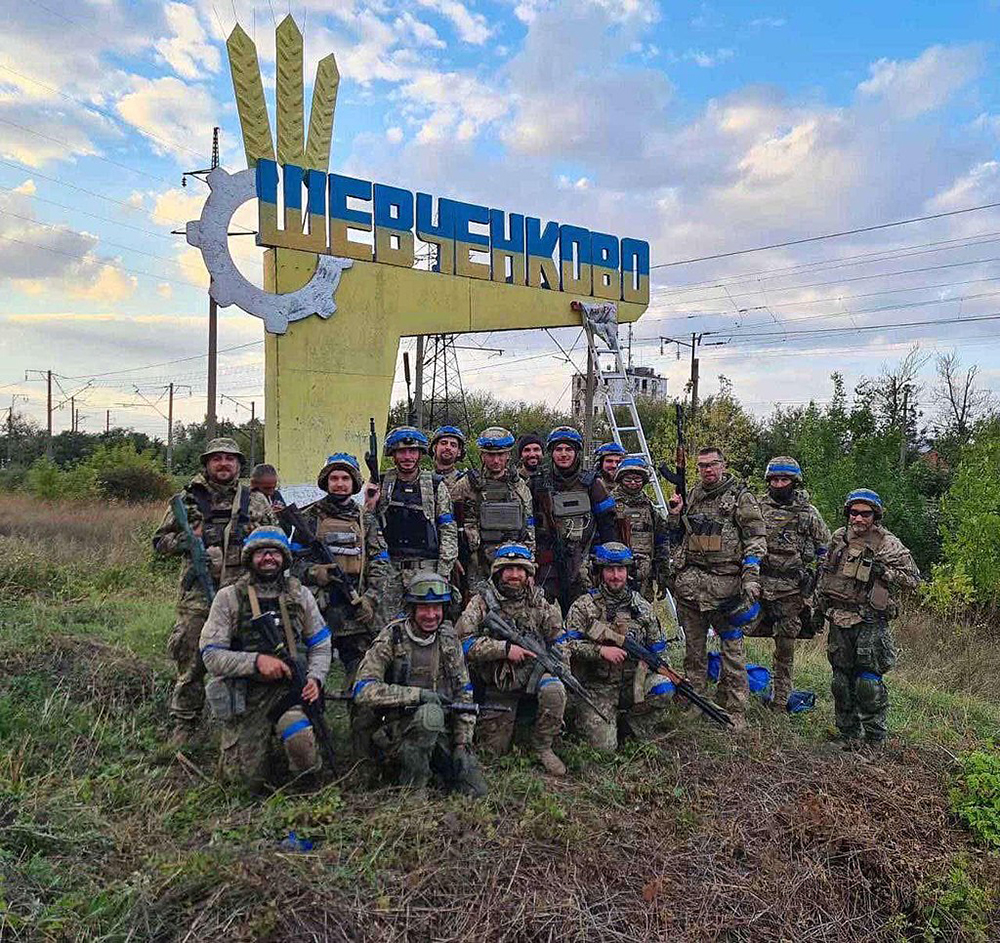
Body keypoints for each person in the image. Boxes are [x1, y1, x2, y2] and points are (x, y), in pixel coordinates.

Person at [153, 437, 275, 746]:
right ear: (207, 464)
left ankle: (242, 726)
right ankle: (185, 723)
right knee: (191, 659)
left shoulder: (256, 501)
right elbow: (159, 543)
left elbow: (275, 542)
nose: (224, 463)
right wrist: (187, 540)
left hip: (243, 593)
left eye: (230, 459)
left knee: (246, 658)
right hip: (198, 596)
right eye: (217, 458)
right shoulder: (187, 501)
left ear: (238, 465)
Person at [199, 526, 331, 791]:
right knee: (243, 783)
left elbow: (320, 645)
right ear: (250, 558)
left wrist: (315, 679)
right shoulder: (229, 597)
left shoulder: (300, 594)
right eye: (261, 553)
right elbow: (211, 655)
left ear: (284, 558)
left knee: (300, 741)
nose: (268, 558)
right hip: (247, 693)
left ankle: (301, 777)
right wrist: (256, 662)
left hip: (288, 690)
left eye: (274, 553)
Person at [352, 574, 488, 795]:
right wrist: (417, 695)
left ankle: (436, 771)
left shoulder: (448, 640)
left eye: (437, 608)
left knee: (475, 789)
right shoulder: (392, 637)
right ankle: (413, 790)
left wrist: (462, 743)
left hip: (439, 730)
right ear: (412, 609)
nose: (431, 615)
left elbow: (464, 694)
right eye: (424, 608)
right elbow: (363, 689)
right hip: (396, 731)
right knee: (429, 715)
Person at [667, 446, 767, 729]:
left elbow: (756, 540)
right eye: (702, 466)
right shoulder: (695, 494)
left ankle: (734, 709)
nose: (707, 470)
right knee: (693, 649)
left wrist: (750, 577)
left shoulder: (740, 497)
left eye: (712, 465)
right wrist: (675, 514)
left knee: (732, 651)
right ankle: (695, 699)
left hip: (726, 588)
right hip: (692, 587)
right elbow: (680, 533)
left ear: (723, 465)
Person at [815, 489, 919, 750]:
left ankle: (874, 739)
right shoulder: (839, 537)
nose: (858, 518)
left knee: (867, 683)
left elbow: (914, 581)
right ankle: (847, 734)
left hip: (869, 620)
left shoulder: (887, 544)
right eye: (854, 512)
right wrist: (817, 608)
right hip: (838, 617)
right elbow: (825, 574)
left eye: (865, 513)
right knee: (840, 681)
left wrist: (885, 572)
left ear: (875, 516)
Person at [455, 544, 567, 775]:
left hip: (532, 678)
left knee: (554, 688)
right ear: (498, 572)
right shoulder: (481, 602)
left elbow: (559, 641)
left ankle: (543, 746)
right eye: (508, 569)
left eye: (519, 569)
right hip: (496, 685)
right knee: (492, 754)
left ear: (528, 574)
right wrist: (503, 649)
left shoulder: (540, 603)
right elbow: (462, 642)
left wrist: (559, 666)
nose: (514, 575)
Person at [558, 543, 673, 750]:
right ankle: (591, 718)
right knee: (603, 749)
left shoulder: (642, 608)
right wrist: (600, 651)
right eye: (610, 570)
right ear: (600, 572)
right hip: (597, 686)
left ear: (628, 572)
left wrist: (669, 672)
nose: (616, 576)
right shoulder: (583, 606)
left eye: (621, 569)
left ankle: (630, 727)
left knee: (663, 686)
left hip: (632, 685)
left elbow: (658, 652)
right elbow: (569, 645)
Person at [290, 453, 390, 689]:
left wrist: (370, 601)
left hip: (356, 608)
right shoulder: (307, 518)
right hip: (317, 608)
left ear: (354, 483)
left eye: (345, 478)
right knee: (307, 671)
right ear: (326, 481)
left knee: (361, 673)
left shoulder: (366, 519)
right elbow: (291, 563)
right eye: (334, 477)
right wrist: (315, 573)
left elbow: (380, 562)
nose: (339, 483)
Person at [756, 457, 831, 710]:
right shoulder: (757, 507)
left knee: (785, 648)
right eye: (775, 480)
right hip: (758, 587)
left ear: (794, 482)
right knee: (733, 631)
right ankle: (734, 688)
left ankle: (780, 699)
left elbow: (825, 551)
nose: (779, 484)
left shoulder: (807, 513)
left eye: (784, 480)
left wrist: (817, 589)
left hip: (791, 592)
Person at [530, 425, 617, 615]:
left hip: (582, 565)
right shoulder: (537, 483)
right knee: (545, 617)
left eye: (568, 449)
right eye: (558, 449)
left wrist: (608, 563)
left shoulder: (592, 483)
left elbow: (607, 526)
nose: (563, 454)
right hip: (548, 565)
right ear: (551, 453)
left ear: (576, 452)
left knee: (584, 617)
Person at [374, 426, 458, 617]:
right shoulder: (382, 483)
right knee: (386, 624)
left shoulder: (435, 485)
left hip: (426, 568)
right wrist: (370, 504)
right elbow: (369, 527)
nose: (408, 457)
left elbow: (448, 530)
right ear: (393, 455)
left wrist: (443, 572)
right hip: (390, 568)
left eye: (412, 451)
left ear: (420, 454)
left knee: (426, 621)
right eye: (402, 451)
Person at [451, 427, 536, 588]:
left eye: (500, 455)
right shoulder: (466, 485)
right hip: (476, 562)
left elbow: (529, 528)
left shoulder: (519, 487)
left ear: (508, 455)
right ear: (482, 455)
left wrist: (530, 565)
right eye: (490, 455)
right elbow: (450, 526)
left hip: (512, 563)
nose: (496, 460)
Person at [612, 456, 670, 602]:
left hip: (645, 575)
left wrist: (662, 573)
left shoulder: (649, 507)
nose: (633, 483)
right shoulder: (609, 503)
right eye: (628, 479)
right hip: (615, 572)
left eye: (637, 480)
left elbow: (661, 540)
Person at [430, 425, 467, 498]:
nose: (448, 447)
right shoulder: (424, 480)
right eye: (443, 443)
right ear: (435, 447)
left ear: (459, 452)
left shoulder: (466, 482)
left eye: (453, 445)